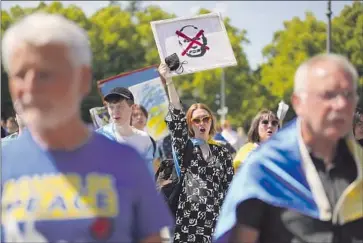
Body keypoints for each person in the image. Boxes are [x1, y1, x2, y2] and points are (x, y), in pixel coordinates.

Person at [1, 12, 172, 243]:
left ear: (82, 79)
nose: (30, 87)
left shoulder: (127, 163)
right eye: (20, 74)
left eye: (45, 74)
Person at [214, 53, 363, 243]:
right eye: (329, 94)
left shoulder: (359, 166)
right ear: (298, 103)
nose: (341, 104)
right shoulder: (265, 168)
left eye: (349, 94)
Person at [159, 63, 234, 243]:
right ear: (190, 124)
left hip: (216, 222)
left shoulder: (222, 151)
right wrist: (169, 81)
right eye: (196, 120)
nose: (202, 123)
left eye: (205, 118)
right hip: (188, 224)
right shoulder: (185, 146)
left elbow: (230, 187)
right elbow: (176, 114)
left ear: (211, 121)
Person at [96, 87, 156, 177]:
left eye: (120, 106)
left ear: (132, 108)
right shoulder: (99, 137)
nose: (115, 112)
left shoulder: (144, 139)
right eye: (111, 107)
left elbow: (150, 176)